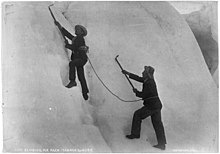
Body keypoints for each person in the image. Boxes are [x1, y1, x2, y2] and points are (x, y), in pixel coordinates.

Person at [122, 66, 167, 150]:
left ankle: (135, 134)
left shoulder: (149, 83)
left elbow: (144, 94)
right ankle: (162, 144)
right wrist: (128, 73)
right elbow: (139, 78)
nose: (142, 72)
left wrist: (136, 92)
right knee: (158, 125)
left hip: (151, 106)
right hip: (157, 105)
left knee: (137, 114)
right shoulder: (148, 80)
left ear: (147, 74)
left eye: (144, 72)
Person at [55, 21, 89, 100]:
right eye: (76, 29)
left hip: (81, 58)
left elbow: (75, 47)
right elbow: (69, 35)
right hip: (80, 58)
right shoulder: (76, 38)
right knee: (81, 75)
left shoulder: (80, 39)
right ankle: (85, 92)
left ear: (81, 32)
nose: (76, 30)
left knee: (72, 64)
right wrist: (60, 27)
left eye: (78, 29)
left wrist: (68, 45)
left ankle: (72, 81)